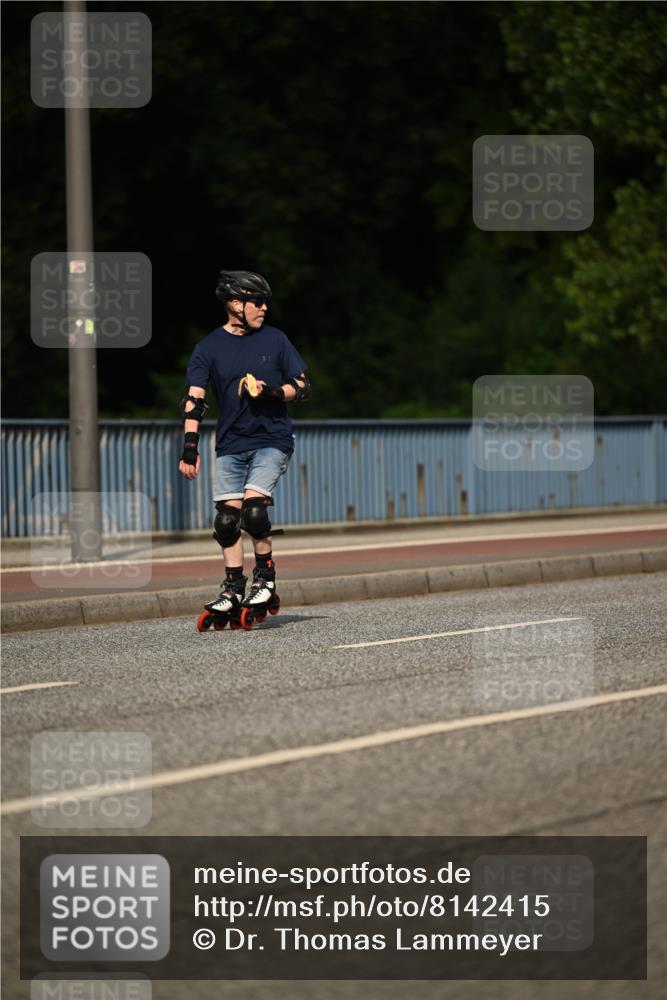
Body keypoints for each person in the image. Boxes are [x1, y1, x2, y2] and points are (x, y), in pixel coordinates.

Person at [178, 270, 310, 621]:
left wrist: (272, 391)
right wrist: (190, 446)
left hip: (272, 438)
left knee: (254, 512)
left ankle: (265, 578)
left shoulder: (275, 339)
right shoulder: (208, 347)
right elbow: (194, 400)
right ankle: (233, 587)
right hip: (231, 443)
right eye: (258, 302)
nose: (264, 308)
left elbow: (302, 386)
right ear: (236, 305)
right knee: (226, 520)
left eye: (265, 302)